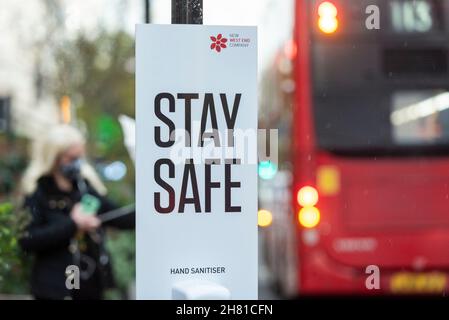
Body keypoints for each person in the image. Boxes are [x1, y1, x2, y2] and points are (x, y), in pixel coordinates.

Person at [19, 124, 135, 300]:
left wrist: (154, 204)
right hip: (56, 288)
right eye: (71, 158)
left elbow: (120, 217)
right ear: (55, 158)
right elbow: (27, 239)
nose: (76, 163)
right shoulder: (38, 193)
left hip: (90, 285)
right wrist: (74, 224)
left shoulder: (84, 189)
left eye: (79, 157)